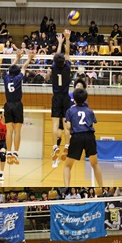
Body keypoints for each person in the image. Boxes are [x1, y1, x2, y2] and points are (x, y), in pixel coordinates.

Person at [63, 88, 103, 187]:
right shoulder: (90, 111)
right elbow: (92, 125)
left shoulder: (70, 111)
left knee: (67, 166)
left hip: (77, 137)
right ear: (85, 99)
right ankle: (101, 187)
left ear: (74, 99)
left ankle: (67, 188)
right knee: (95, 164)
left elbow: (68, 127)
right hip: (89, 136)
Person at [2, 49, 35, 165]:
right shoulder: (18, 78)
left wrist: (16, 58)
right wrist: (29, 58)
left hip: (8, 105)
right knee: (17, 130)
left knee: (9, 131)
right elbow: (24, 68)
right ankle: (15, 153)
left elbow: (10, 69)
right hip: (17, 105)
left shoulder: (6, 78)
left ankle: (8, 153)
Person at [47, 30, 72, 168]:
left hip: (56, 97)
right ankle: (67, 145)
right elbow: (66, 54)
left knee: (55, 124)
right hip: (66, 97)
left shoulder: (54, 68)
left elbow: (57, 56)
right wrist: (67, 39)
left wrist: (59, 43)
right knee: (66, 124)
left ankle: (55, 146)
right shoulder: (67, 67)